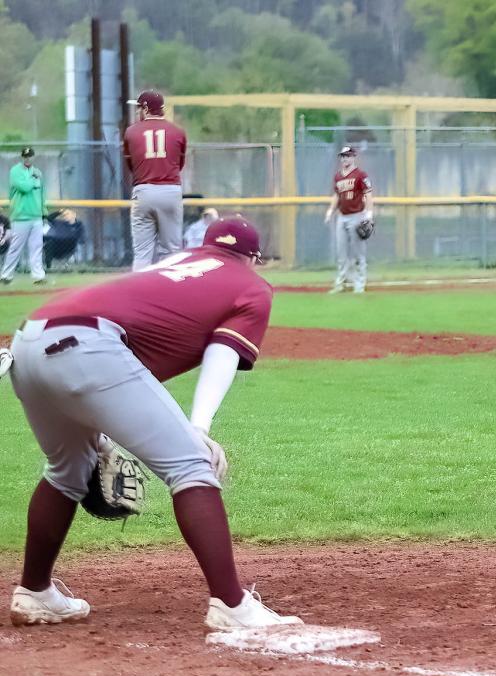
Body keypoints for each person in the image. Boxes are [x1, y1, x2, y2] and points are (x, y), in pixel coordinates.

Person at [6, 217, 303, 630]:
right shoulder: (251, 285)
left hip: (26, 341)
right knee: (191, 466)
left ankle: (35, 592)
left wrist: (97, 428)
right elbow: (223, 352)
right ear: (253, 258)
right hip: (90, 346)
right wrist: (199, 429)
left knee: (66, 470)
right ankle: (232, 605)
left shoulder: (174, 262)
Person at [123, 90, 187, 269]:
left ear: (146, 109)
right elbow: (179, 165)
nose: (137, 112)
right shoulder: (178, 131)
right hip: (170, 190)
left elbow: (131, 166)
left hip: (143, 189)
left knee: (142, 252)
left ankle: (140, 287)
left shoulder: (131, 131)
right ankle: (169, 285)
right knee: (172, 251)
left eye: (139, 108)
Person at [324, 146, 373, 293]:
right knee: (341, 253)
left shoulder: (361, 175)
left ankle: (359, 284)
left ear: (353, 157)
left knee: (358, 253)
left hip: (357, 216)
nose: (344, 159)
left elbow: (368, 194)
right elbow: (337, 195)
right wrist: (330, 211)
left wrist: (369, 213)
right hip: (342, 216)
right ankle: (341, 283)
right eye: (343, 156)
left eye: (347, 156)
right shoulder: (338, 176)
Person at [2, 147, 48, 285]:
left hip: (36, 215)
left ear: (33, 157)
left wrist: (44, 212)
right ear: (22, 157)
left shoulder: (38, 172)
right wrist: (33, 180)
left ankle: (38, 276)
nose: (27, 159)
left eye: (30, 156)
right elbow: (24, 187)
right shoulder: (15, 171)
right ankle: (6, 275)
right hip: (20, 216)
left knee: (36, 247)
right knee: (16, 247)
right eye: (25, 156)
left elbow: (42, 194)